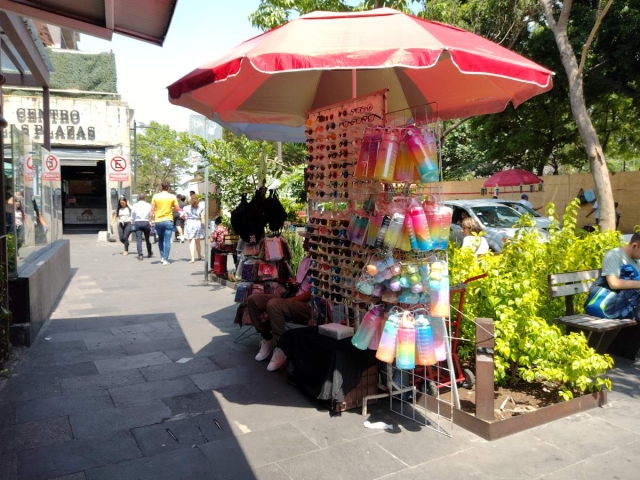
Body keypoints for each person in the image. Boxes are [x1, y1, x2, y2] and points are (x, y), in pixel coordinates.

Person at [247, 231, 312, 372]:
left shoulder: (320, 264)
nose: (303, 243)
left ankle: (282, 346)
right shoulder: (305, 260)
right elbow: (301, 283)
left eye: (306, 240)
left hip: (308, 307)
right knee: (253, 300)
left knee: (274, 304)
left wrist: (288, 300)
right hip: (294, 300)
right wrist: (294, 282)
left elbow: (311, 294)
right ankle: (267, 337)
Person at [150, 180, 180, 265]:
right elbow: (177, 209)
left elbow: (152, 210)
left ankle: (162, 257)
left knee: (160, 239)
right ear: (169, 187)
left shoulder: (155, 196)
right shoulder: (172, 196)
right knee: (167, 240)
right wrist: (171, 208)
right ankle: (166, 259)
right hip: (168, 220)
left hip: (158, 220)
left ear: (161, 187)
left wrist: (150, 220)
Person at [182, 194, 205, 263]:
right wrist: (204, 225)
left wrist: (186, 219)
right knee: (198, 242)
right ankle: (199, 255)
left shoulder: (186, 207)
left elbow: (181, 215)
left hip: (189, 223)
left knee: (191, 242)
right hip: (197, 223)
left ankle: (192, 258)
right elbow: (202, 218)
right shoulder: (200, 208)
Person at [130, 193, 153, 261]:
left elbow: (132, 215)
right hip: (146, 222)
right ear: (145, 198)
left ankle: (140, 255)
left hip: (138, 222)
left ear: (138, 198)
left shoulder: (135, 205)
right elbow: (151, 214)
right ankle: (149, 252)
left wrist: (132, 222)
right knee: (147, 238)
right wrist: (151, 221)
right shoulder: (148, 205)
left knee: (138, 239)